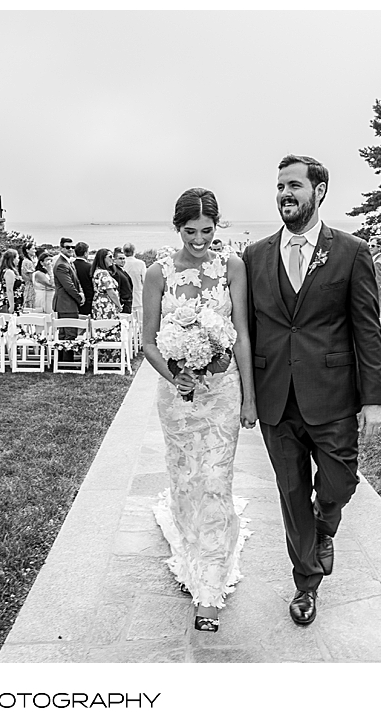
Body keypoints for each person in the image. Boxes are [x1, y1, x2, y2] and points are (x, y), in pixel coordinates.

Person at [242, 154, 381, 627]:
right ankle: (306, 583)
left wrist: (372, 399)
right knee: (290, 491)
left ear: (319, 191)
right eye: (280, 185)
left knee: (339, 484)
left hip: (334, 396)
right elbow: (243, 327)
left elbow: (367, 330)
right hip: (276, 397)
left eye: (294, 186)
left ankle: (325, 526)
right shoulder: (255, 256)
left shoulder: (351, 251)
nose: (285, 193)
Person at [142, 187, 257, 633]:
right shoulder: (157, 272)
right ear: (178, 227)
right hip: (177, 398)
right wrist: (175, 375)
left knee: (215, 479)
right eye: (191, 231)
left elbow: (242, 334)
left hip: (222, 392)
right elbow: (149, 341)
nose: (199, 239)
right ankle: (191, 548)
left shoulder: (233, 266)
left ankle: (209, 586)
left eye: (207, 231)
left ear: (217, 227)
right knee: (186, 479)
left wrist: (248, 396)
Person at [53, 237, 86, 360]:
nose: (71, 249)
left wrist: (81, 293)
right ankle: (67, 362)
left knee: (65, 334)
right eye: (67, 247)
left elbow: (76, 282)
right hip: (66, 304)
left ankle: (61, 361)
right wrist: (79, 298)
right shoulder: (61, 264)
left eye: (72, 247)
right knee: (69, 334)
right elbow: (69, 286)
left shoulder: (68, 262)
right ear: (61, 248)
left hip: (67, 304)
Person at [122, 243, 146, 332]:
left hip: (124, 297)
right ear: (134, 251)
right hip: (138, 295)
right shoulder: (140, 264)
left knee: (127, 323)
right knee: (139, 322)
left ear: (124, 252)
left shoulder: (122, 263)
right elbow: (144, 280)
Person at [368, 236, 381, 317]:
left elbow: (376, 285)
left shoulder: (378, 262)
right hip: (379, 302)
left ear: (379, 247)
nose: (370, 248)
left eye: (372, 246)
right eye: (369, 245)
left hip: (377, 302)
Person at [0, 248, 24, 315]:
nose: (18, 260)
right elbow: (9, 290)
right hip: (13, 302)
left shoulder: (11, 271)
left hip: (17, 301)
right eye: (17, 258)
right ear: (12, 259)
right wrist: (12, 306)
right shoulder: (9, 272)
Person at [73, 241, 94, 317]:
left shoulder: (71, 265)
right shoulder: (89, 267)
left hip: (75, 298)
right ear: (85, 253)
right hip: (88, 298)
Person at [32, 249, 55, 313]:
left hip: (51, 298)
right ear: (41, 262)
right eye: (48, 260)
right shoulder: (39, 274)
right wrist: (50, 271)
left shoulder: (49, 273)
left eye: (51, 260)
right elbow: (51, 284)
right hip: (42, 298)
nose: (50, 262)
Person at [112, 248, 134, 313]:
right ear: (114, 260)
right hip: (123, 302)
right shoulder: (115, 272)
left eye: (124, 258)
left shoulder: (121, 270)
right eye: (120, 259)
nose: (123, 261)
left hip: (127, 302)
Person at [18, 240, 37, 310]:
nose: (35, 251)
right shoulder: (27, 262)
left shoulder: (27, 261)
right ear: (27, 250)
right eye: (33, 249)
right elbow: (32, 278)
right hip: (31, 286)